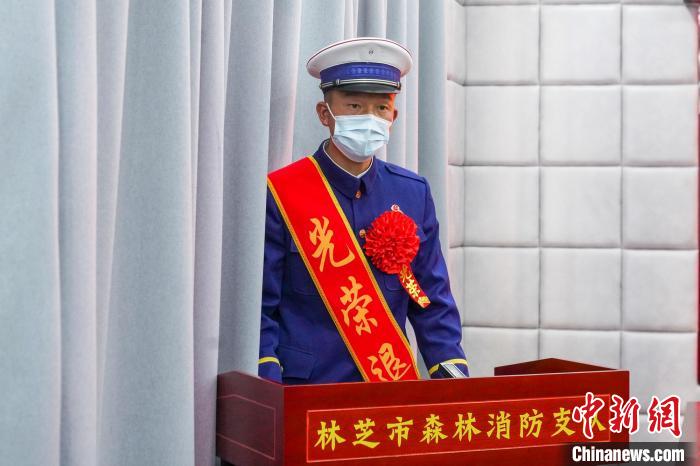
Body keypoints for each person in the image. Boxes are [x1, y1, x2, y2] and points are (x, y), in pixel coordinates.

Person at [258, 37, 469, 384]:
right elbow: (262, 308)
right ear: (324, 114)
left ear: (393, 116)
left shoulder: (412, 193)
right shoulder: (282, 192)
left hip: (387, 389)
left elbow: (431, 298)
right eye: (355, 106)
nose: (370, 118)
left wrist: (452, 379)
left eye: (381, 108)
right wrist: (269, 388)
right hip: (306, 390)